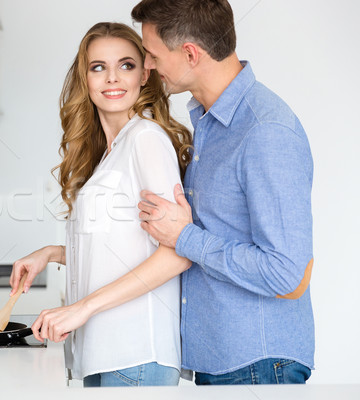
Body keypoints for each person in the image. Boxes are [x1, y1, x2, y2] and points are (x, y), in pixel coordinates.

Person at [131, 0, 315, 385]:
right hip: (225, 361)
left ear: (190, 54)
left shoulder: (265, 130)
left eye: (151, 55)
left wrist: (185, 238)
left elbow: (285, 272)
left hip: (258, 365)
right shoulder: (210, 121)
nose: (147, 67)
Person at [10, 22, 192, 387]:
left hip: (136, 353)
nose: (112, 78)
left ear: (144, 73)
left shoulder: (146, 139)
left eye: (126, 65)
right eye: (98, 67)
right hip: (103, 354)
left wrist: (82, 308)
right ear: (86, 78)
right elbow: (117, 245)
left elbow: (178, 252)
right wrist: (51, 253)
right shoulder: (110, 152)